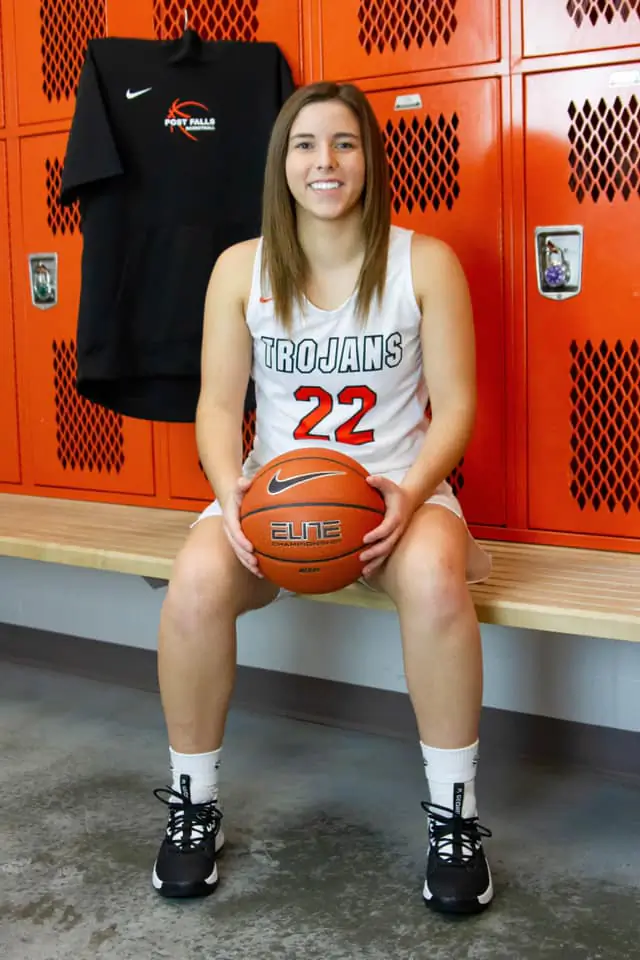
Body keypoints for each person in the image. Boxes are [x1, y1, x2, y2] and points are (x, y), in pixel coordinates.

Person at [151, 80, 494, 915]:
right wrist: (230, 495)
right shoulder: (242, 269)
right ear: (283, 164)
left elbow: (456, 408)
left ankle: (456, 820)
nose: (325, 162)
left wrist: (411, 496)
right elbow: (216, 405)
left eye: (344, 143)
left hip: (394, 496)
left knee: (440, 584)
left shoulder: (427, 262)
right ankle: (193, 807)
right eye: (305, 144)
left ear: (371, 162)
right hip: (271, 501)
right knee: (191, 586)